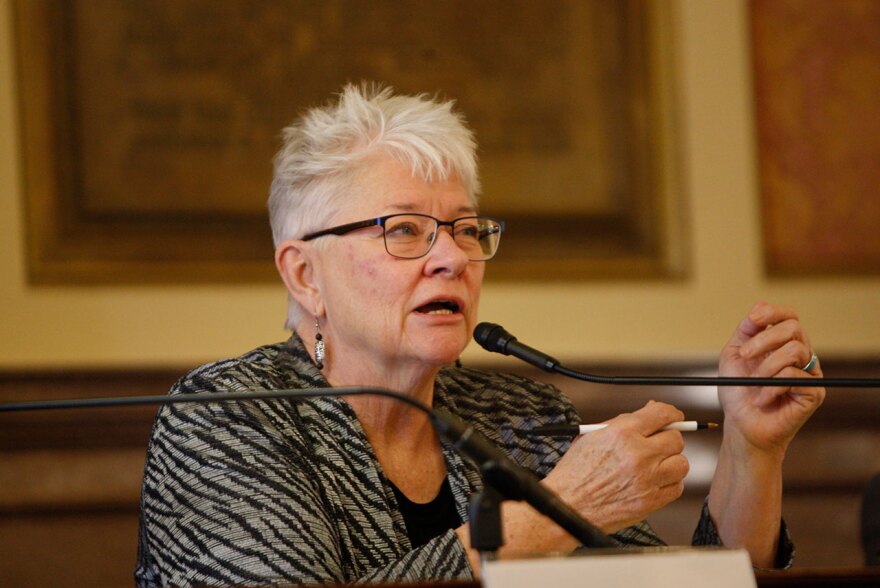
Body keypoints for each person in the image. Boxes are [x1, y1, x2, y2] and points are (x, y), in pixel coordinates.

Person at [135, 83, 825, 587]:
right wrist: (553, 515)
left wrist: (750, 451)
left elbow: (675, 586)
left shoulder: (517, 417)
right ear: (305, 274)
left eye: (466, 228)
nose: (453, 258)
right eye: (404, 229)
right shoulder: (226, 418)